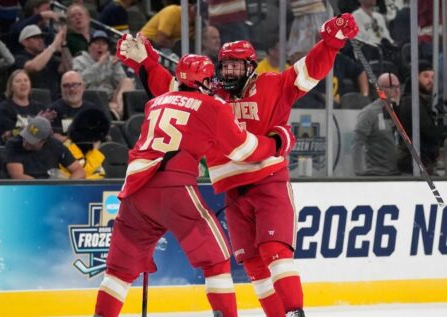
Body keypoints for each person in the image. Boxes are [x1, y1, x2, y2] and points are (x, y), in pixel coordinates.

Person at [116, 13, 359, 316]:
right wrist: (146, 63)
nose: (229, 72)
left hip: (268, 182)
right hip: (232, 191)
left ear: (251, 67)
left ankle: (296, 312)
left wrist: (331, 43)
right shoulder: (210, 94)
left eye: (236, 66)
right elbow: (172, 90)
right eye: (225, 66)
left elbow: (308, 70)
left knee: (275, 252)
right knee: (253, 265)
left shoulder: (273, 85)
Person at [95, 54, 290, 317]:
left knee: (118, 272)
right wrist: (278, 142)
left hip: (134, 190)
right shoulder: (211, 105)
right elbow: (244, 150)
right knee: (217, 260)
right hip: (174, 187)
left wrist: (146, 61)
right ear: (206, 80)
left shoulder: (155, 102)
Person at [73, 30, 135, 120]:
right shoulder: (79, 60)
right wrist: (99, 64)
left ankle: (117, 112)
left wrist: (115, 67)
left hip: (111, 99)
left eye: (104, 44)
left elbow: (121, 83)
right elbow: (80, 82)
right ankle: (114, 112)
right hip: (91, 97)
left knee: (128, 81)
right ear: (89, 47)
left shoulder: (111, 60)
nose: (100, 47)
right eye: (97, 43)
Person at [397, 61, 444, 175]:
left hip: (423, 161)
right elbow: (429, 131)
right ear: (415, 77)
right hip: (413, 162)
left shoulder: (422, 101)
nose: (430, 81)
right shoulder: (411, 102)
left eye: (432, 77)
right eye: (426, 76)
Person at [5, 116, 85, 179]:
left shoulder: (55, 145)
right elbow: (18, 177)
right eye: (25, 136)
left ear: (44, 140)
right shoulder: (13, 144)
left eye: (31, 140)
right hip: (27, 190)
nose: (25, 142)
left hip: (52, 187)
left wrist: (66, 188)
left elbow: (79, 171)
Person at [353, 72, 401, 176]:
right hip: (377, 175)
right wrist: (359, 174)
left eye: (398, 87)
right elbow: (357, 142)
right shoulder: (369, 112)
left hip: (399, 174)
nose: (396, 91)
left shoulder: (402, 111)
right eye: (391, 87)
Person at [0, 69, 56, 144]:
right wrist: (35, 123)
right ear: (11, 87)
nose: (23, 83)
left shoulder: (40, 108)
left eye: (26, 80)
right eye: (18, 81)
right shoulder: (4, 108)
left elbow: (48, 134)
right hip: (17, 148)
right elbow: (7, 136)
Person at [49, 70, 110, 142]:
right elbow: (52, 136)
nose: (71, 89)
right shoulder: (53, 110)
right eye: (67, 86)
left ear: (83, 87)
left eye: (75, 85)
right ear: (61, 88)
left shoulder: (93, 110)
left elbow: (103, 134)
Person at [14, 24, 72, 98]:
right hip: (34, 99)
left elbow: (68, 68)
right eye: (35, 38)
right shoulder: (19, 57)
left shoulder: (50, 58)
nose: (40, 40)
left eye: (41, 37)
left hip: (55, 99)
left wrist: (63, 44)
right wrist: (54, 44)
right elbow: (35, 67)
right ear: (24, 42)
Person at [60, 108, 110, 179]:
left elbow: (100, 175)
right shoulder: (70, 149)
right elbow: (82, 174)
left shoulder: (88, 151)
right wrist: (95, 152)